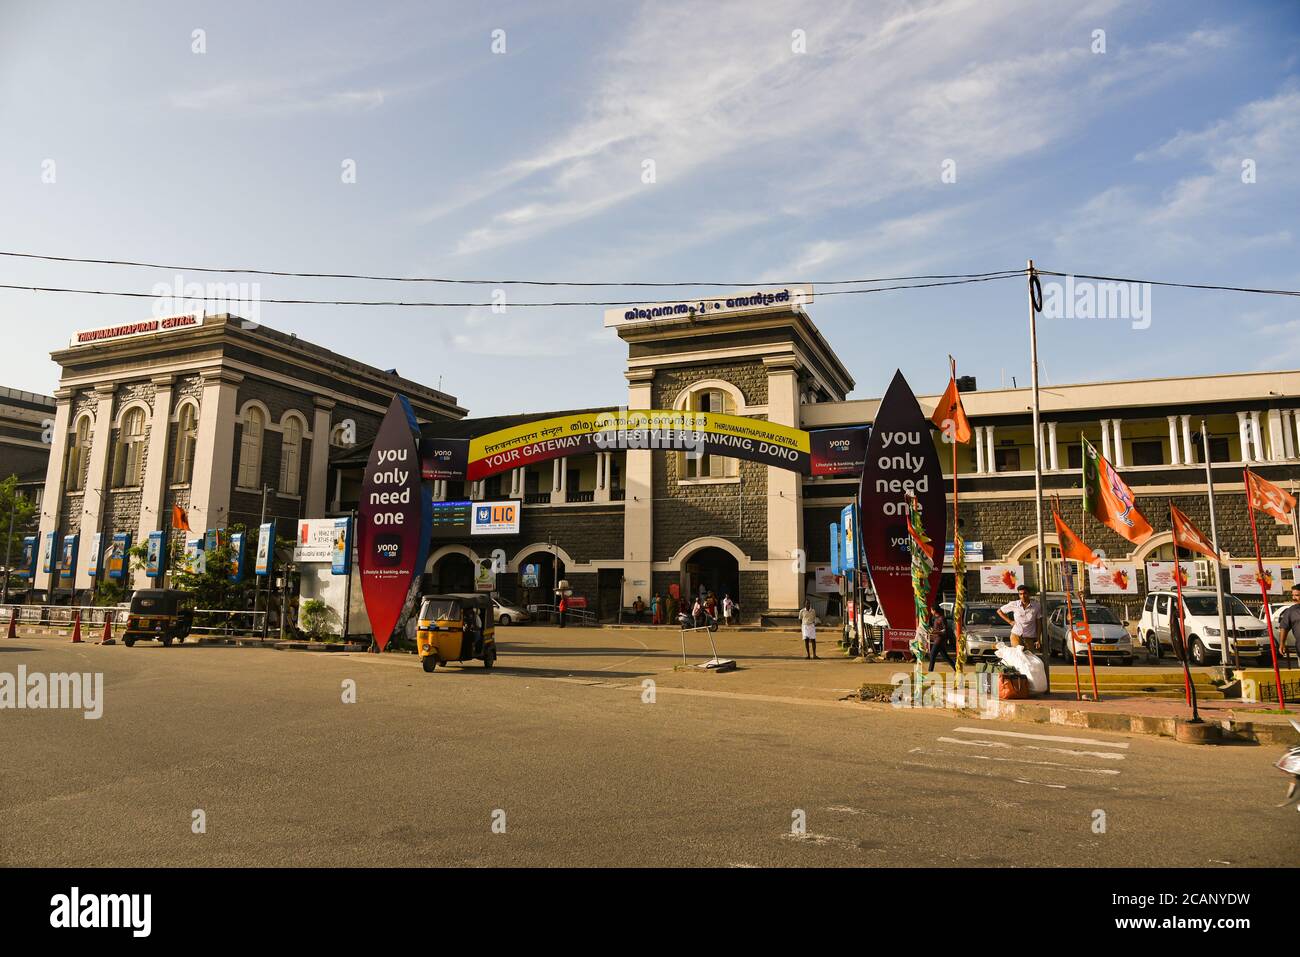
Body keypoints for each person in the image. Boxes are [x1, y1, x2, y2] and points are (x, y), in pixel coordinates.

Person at [997, 585, 1042, 651]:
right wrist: (1010, 621)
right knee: (1018, 656)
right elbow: (999, 611)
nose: (1023, 596)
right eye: (1020, 594)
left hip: (1029, 637)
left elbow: (1039, 624)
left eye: (1025, 593)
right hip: (1016, 635)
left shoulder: (1036, 606)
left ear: (1029, 594)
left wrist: (1038, 639)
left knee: (1028, 658)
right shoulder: (1014, 604)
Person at [1278, 584, 1300, 667]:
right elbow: (1284, 627)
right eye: (1293, 595)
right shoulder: (1291, 611)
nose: (1294, 598)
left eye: (1297, 595)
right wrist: (1282, 644)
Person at [927, 606, 955, 672]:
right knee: (945, 657)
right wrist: (932, 631)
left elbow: (945, 631)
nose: (931, 612)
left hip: (939, 640)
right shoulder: (935, 618)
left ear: (934, 610)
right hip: (937, 640)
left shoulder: (942, 618)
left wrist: (935, 632)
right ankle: (956, 668)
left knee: (932, 655)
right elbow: (937, 629)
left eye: (931, 610)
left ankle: (930, 672)